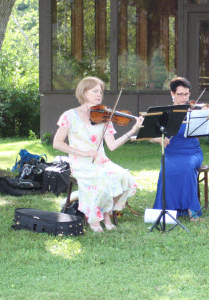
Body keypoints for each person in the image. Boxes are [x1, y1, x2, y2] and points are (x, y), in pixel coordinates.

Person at [53, 76, 144, 232]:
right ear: (84, 92)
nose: (99, 94)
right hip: (81, 162)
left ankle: (106, 213)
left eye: (100, 91)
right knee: (103, 178)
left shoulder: (103, 116)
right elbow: (57, 143)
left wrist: (132, 130)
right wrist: (83, 152)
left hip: (101, 161)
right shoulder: (69, 116)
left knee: (124, 177)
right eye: (95, 91)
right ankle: (94, 219)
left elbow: (112, 146)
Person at [151, 77, 206, 221]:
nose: (184, 98)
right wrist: (159, 139)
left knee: (187, 166)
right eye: (180, 94)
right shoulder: (165, 114)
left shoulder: (194, 112)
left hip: (192, 152)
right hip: (172, 153)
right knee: (167, 168)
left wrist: (205, 115)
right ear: (172, 94)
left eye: (186, 94)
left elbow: (204, 132)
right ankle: (168, 209)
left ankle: (191, 209)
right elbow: (150, 135)